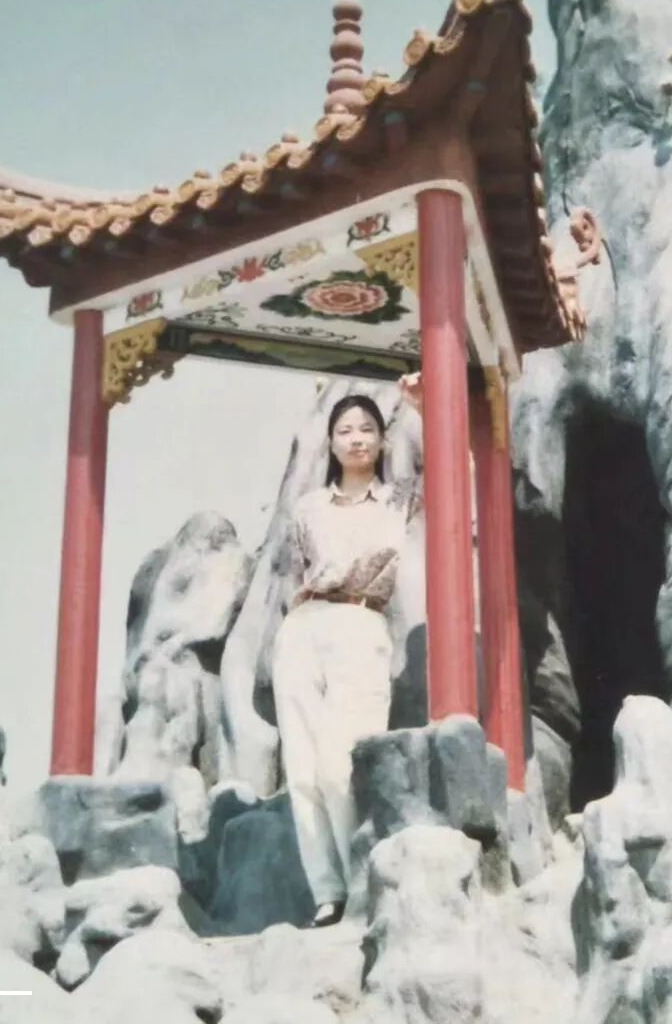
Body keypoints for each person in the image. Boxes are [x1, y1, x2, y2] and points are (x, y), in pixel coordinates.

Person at [273, 373, 423, 928]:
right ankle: (328, 892)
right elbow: (293, 573)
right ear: (331, 443)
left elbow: (457, 472)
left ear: (382, 441)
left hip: (360, 623)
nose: (357, 438)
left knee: (341, 767)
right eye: (345, 430)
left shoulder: (399, 498)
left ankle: (363, 876)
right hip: (303, 628)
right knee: (303, 772)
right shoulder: (309, 507)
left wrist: (423, 409)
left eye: (367, 429)